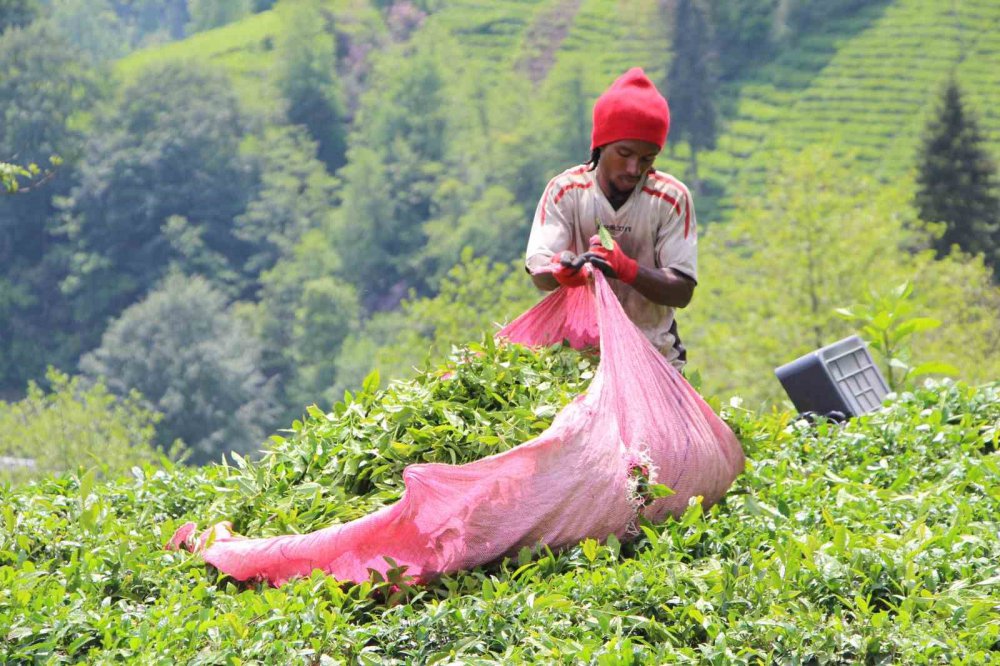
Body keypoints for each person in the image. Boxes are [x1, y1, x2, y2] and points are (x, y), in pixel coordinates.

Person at [524, 67, 698, 370]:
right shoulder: (567, 191)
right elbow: (539, 269)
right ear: (601, 146)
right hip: (577, 357)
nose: (634, 168)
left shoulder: (670, 199)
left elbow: (682, 290)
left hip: (653, 357)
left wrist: (628, 270)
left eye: (647, 158)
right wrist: (562, 269)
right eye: (624, 153)